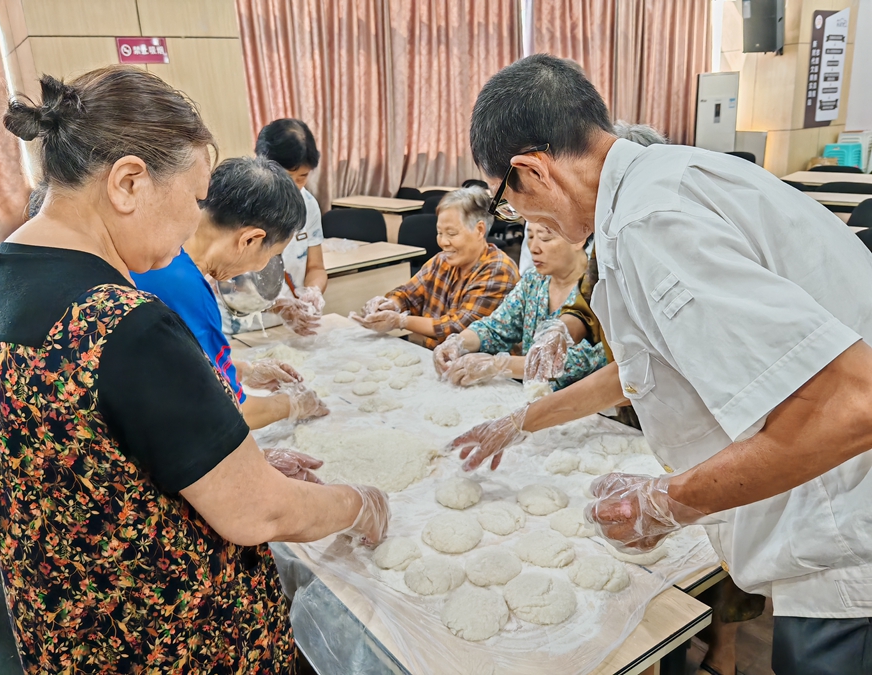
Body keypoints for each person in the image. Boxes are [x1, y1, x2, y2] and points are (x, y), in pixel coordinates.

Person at [454, 54, 872, 674]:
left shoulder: (651, 222)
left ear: (531, 170)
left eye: (509, 205)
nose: (527, 223)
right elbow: (644, 371)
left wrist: (666, 502)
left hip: (847, 541)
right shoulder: (659, 186)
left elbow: (852, 406)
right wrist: (523, 420)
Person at [0, 66, 388, 673]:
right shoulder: (126, 324)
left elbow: (94, 458)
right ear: (128, 183)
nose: (197, 221)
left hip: (67, 628)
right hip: (168, 638)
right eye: (194, 200)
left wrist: (220, 465)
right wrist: (357, 504)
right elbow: (260, 511)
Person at [131, 156, 327, 430]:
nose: (263, 267)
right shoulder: (186, 288)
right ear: (250, 239)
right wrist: (293, 404)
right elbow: (227, 411)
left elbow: (181, 360)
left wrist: (243, 371)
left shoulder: (151, 247)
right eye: (271, 256)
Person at [432, 221, 605, 390]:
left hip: (584, 402)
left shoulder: (600, 291)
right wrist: (458, 342)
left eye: (545, 238)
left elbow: (577, 363)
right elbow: (495, 327)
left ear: (578, 239)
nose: (534, 248)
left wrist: (497, 365)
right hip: (530, 395)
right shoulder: (534, 281)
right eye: (530, 237)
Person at [352, 186, 519, 349]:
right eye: (439, 233)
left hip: (475, 363)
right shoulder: (442, 260)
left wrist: (400, 321)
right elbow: (408, 294)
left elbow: (458, 327)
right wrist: (390, 305)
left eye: (451, 234)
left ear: (480, 230)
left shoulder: (499, 269)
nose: (443, 242)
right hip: (435, 354)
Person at [222, 118, 328, 336]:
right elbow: (226, 278)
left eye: (302, 177)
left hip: (287, 326)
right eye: (287, 178)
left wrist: (312, 292)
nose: (295, 188)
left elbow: (315, 267)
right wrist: (278, 305)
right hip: (240, 327)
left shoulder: (308, 204)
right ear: (262, 165)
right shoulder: (237, 203)